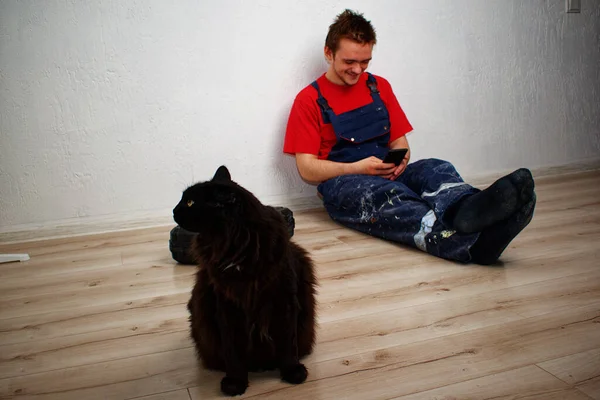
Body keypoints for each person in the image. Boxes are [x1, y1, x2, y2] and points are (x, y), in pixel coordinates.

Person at [283, 9, 536, 264]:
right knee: (389, 195)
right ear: (329, 53)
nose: (358, 69)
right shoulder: (309, 101)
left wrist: (401, 159)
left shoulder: (378, 86)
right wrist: (356, 168)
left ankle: (465, 208)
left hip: (386, 172)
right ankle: (473, 243)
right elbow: (307, 169)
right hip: (347, 185)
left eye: (365, 61)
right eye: (349, 62)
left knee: (435, 168)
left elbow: (399, 142)